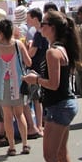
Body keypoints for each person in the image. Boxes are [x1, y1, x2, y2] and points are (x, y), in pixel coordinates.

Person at [23, 10, 80, 162]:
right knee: (61, 153)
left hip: (58, 106)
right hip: (63, 103)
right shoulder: (60, 49)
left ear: (52, 27)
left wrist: (35, 79)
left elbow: (54, 84)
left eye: (44, 24)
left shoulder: (53, 52)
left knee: (50, 155)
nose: (41, 27)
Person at [0, 10, 31, 156]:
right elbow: (28, 62)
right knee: (20, 114)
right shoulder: (18, 44)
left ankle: (11, 146)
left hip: (1, 85)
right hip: (17, 84)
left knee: (7, 116)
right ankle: (25, 144)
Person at [23, 8, 48, 138]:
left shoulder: (38, 34)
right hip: (42, 67)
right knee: (38, 100)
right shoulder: (43, 32)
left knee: (35, 99)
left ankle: (38, 126)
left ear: (34, 18)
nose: (27, 20)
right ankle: (40, 125)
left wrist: (25, 49)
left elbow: (32, 53)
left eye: (28, 18)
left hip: (36, 69)